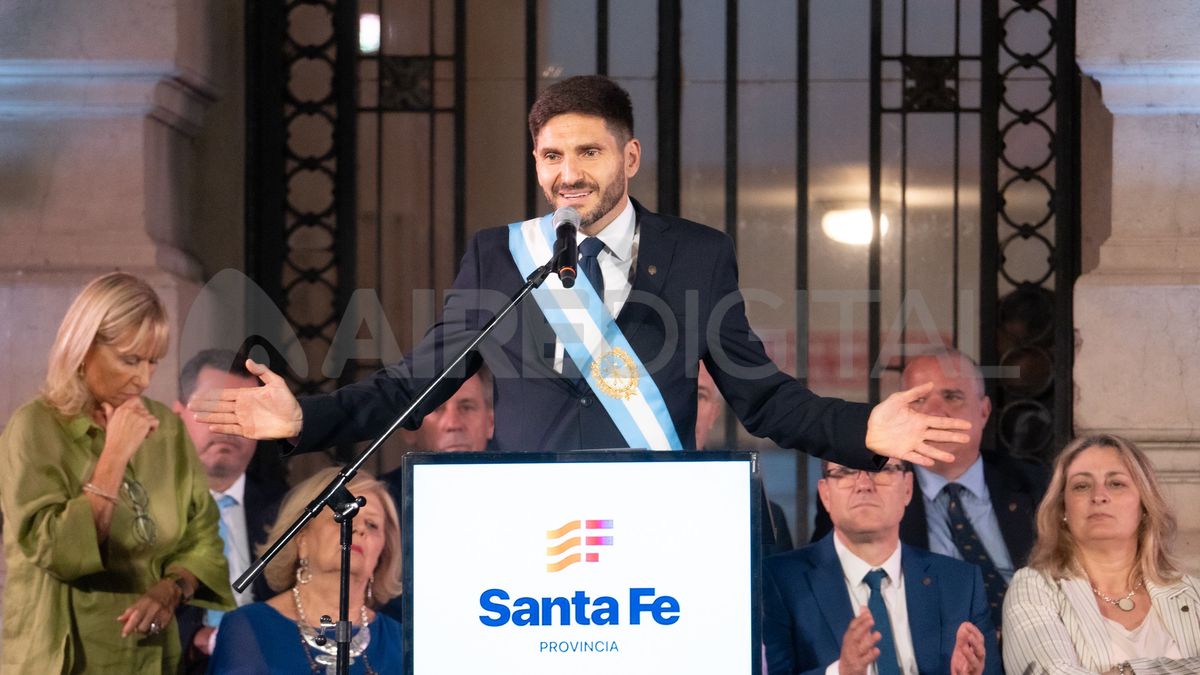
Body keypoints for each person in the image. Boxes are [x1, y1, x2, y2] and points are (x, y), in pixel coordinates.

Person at [191, 76, 971, 478]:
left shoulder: (697, 253)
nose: (569, 173)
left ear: (628, 158)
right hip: (531, 536)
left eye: (589, 153)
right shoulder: (500, 254)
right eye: (552, 156)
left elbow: (761, 395)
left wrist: (862, 429)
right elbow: (410, 385)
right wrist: (305, 420)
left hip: (651, 528)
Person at [0, 272, 234, 673]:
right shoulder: (34, 427)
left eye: (152, 362)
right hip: (62, 657)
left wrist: (171, 589)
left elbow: (203, 539)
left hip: (150, 656)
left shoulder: (167, 429)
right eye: (130, 359)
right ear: (84, 348)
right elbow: (56, 550)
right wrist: (114, 455)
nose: (144, 379)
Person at [812, 348, 1047, 629]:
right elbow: (828, 587)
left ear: (984, 412)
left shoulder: (1037, 485)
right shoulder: (867, 494)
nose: (936, 412)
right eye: (920, 400)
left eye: (952, 396)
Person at [764, 457, 1000, 675]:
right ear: (825, 494)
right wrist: (842, 671)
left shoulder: (959, 583)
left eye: (881, 469)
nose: (864, 484)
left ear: (907, 487)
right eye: (846, 471)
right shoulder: (779, 581)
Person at [1002, 434, 1200, 674]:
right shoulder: (1034, 587)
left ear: (1145, 506)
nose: (1098, 496)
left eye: (1116, 483)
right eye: (1081, 486)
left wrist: (1125, 672)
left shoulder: (1191, 592)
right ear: (1063, 509)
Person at [208, 467, 403, 674]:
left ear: (383, 553)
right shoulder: (249, 627)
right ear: (301, 538)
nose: (359, 528)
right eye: (342, 516)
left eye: (372, 524)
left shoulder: (400, 639)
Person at [172, 350, 288, 673]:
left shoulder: (287, 510)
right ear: (178, 414)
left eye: (241, 412)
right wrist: (197, 638)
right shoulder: (148, 507)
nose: (226, 427)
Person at [695, 361, 793, 555]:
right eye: (678, 395)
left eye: (699, 396)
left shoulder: (763, 515)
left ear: (714, 414)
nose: (688, 406)